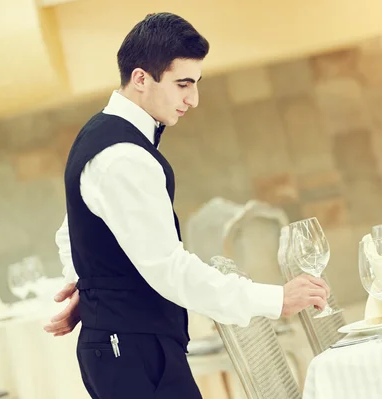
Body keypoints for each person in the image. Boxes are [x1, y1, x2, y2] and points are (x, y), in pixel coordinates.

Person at [43, 12, 329, 399]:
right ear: (141, 78)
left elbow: (70, 231)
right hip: (134, 354)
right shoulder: (125, 156)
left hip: (126, 349)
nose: (192, 100)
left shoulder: (104, 134)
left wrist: (90, 287)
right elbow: (170, 270)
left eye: (195, 84)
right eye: (183, 84)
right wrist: (276, 299)